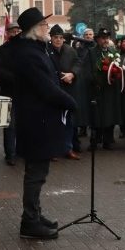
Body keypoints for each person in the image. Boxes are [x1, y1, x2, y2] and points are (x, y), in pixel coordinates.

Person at [11, 8, 77, 239]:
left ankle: (35, 215)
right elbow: (46, 88)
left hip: (39, 119)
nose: (47, 29)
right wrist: (71, 102)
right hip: (35, 121)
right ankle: (29, 222)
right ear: (34, 30)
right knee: (35, 173)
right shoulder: (29, 54)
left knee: (39, 171)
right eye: (43, 26)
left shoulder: (38, 49)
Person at [48, 24, 82, 160]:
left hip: (68, 90)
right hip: (52, 91)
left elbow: (78, 63)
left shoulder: (70, 50)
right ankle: (52, 150)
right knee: (52, 122)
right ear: (51, 38)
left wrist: (72, 74)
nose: (58, 40)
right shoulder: (46, 50)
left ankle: (68, 149)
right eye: (55, 37)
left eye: (61, 37)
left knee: (68, 121)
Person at [86, 28, 123, 149]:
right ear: (98, 39)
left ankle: (108, 140)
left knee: (109, 114)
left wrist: (116, 75)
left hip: (110, 89)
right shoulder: (91, 52)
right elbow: (88, 70)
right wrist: (95, 80)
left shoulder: (113, 51)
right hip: (97, 89)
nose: (105, 40)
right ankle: (94, 141)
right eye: (103, 38)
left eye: (107, 38)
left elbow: (118, 67)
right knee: (96, 116)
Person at [0, 21, 22, 166]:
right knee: (9, 125)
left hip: (23, 93)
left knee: (23, 123)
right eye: (12, 31)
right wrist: (14, 78)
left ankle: (21, 151)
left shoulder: (25, 49)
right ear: (7, 33)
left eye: (17, 31)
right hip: (7, 92)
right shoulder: (1, 50)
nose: (15, 33)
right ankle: (10, 154)